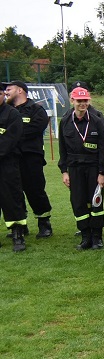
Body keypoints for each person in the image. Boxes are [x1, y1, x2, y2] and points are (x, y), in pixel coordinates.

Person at [58, 87, 104, 250]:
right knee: (78, 202)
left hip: (93, 167)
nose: (83, 104)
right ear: (72, 101)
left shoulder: (97, 121)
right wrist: (64, 171)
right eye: (79, 101)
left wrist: (102, 173)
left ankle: (97, 237)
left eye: (85, 100)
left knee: (96, 202)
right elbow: (62, 149)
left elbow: (103, 149)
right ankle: (85, 236)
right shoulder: (65, 121)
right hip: (74, 168)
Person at [3, 81, 54, 238]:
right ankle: (20, 226)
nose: (6, 92)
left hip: (31, 157)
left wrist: (13, 132)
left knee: (35, 190)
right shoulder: (7, 111)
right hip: (11, 158)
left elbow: (34, 129)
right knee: (14, 193)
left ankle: (44, 224)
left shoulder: (36, 110)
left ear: (20, 90)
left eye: (9, 89)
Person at [0, 87, 26, 251]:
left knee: (12, 199)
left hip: (7, 164)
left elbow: (11, 139)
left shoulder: (12, 114)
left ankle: (18, 235)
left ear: (3, 95)